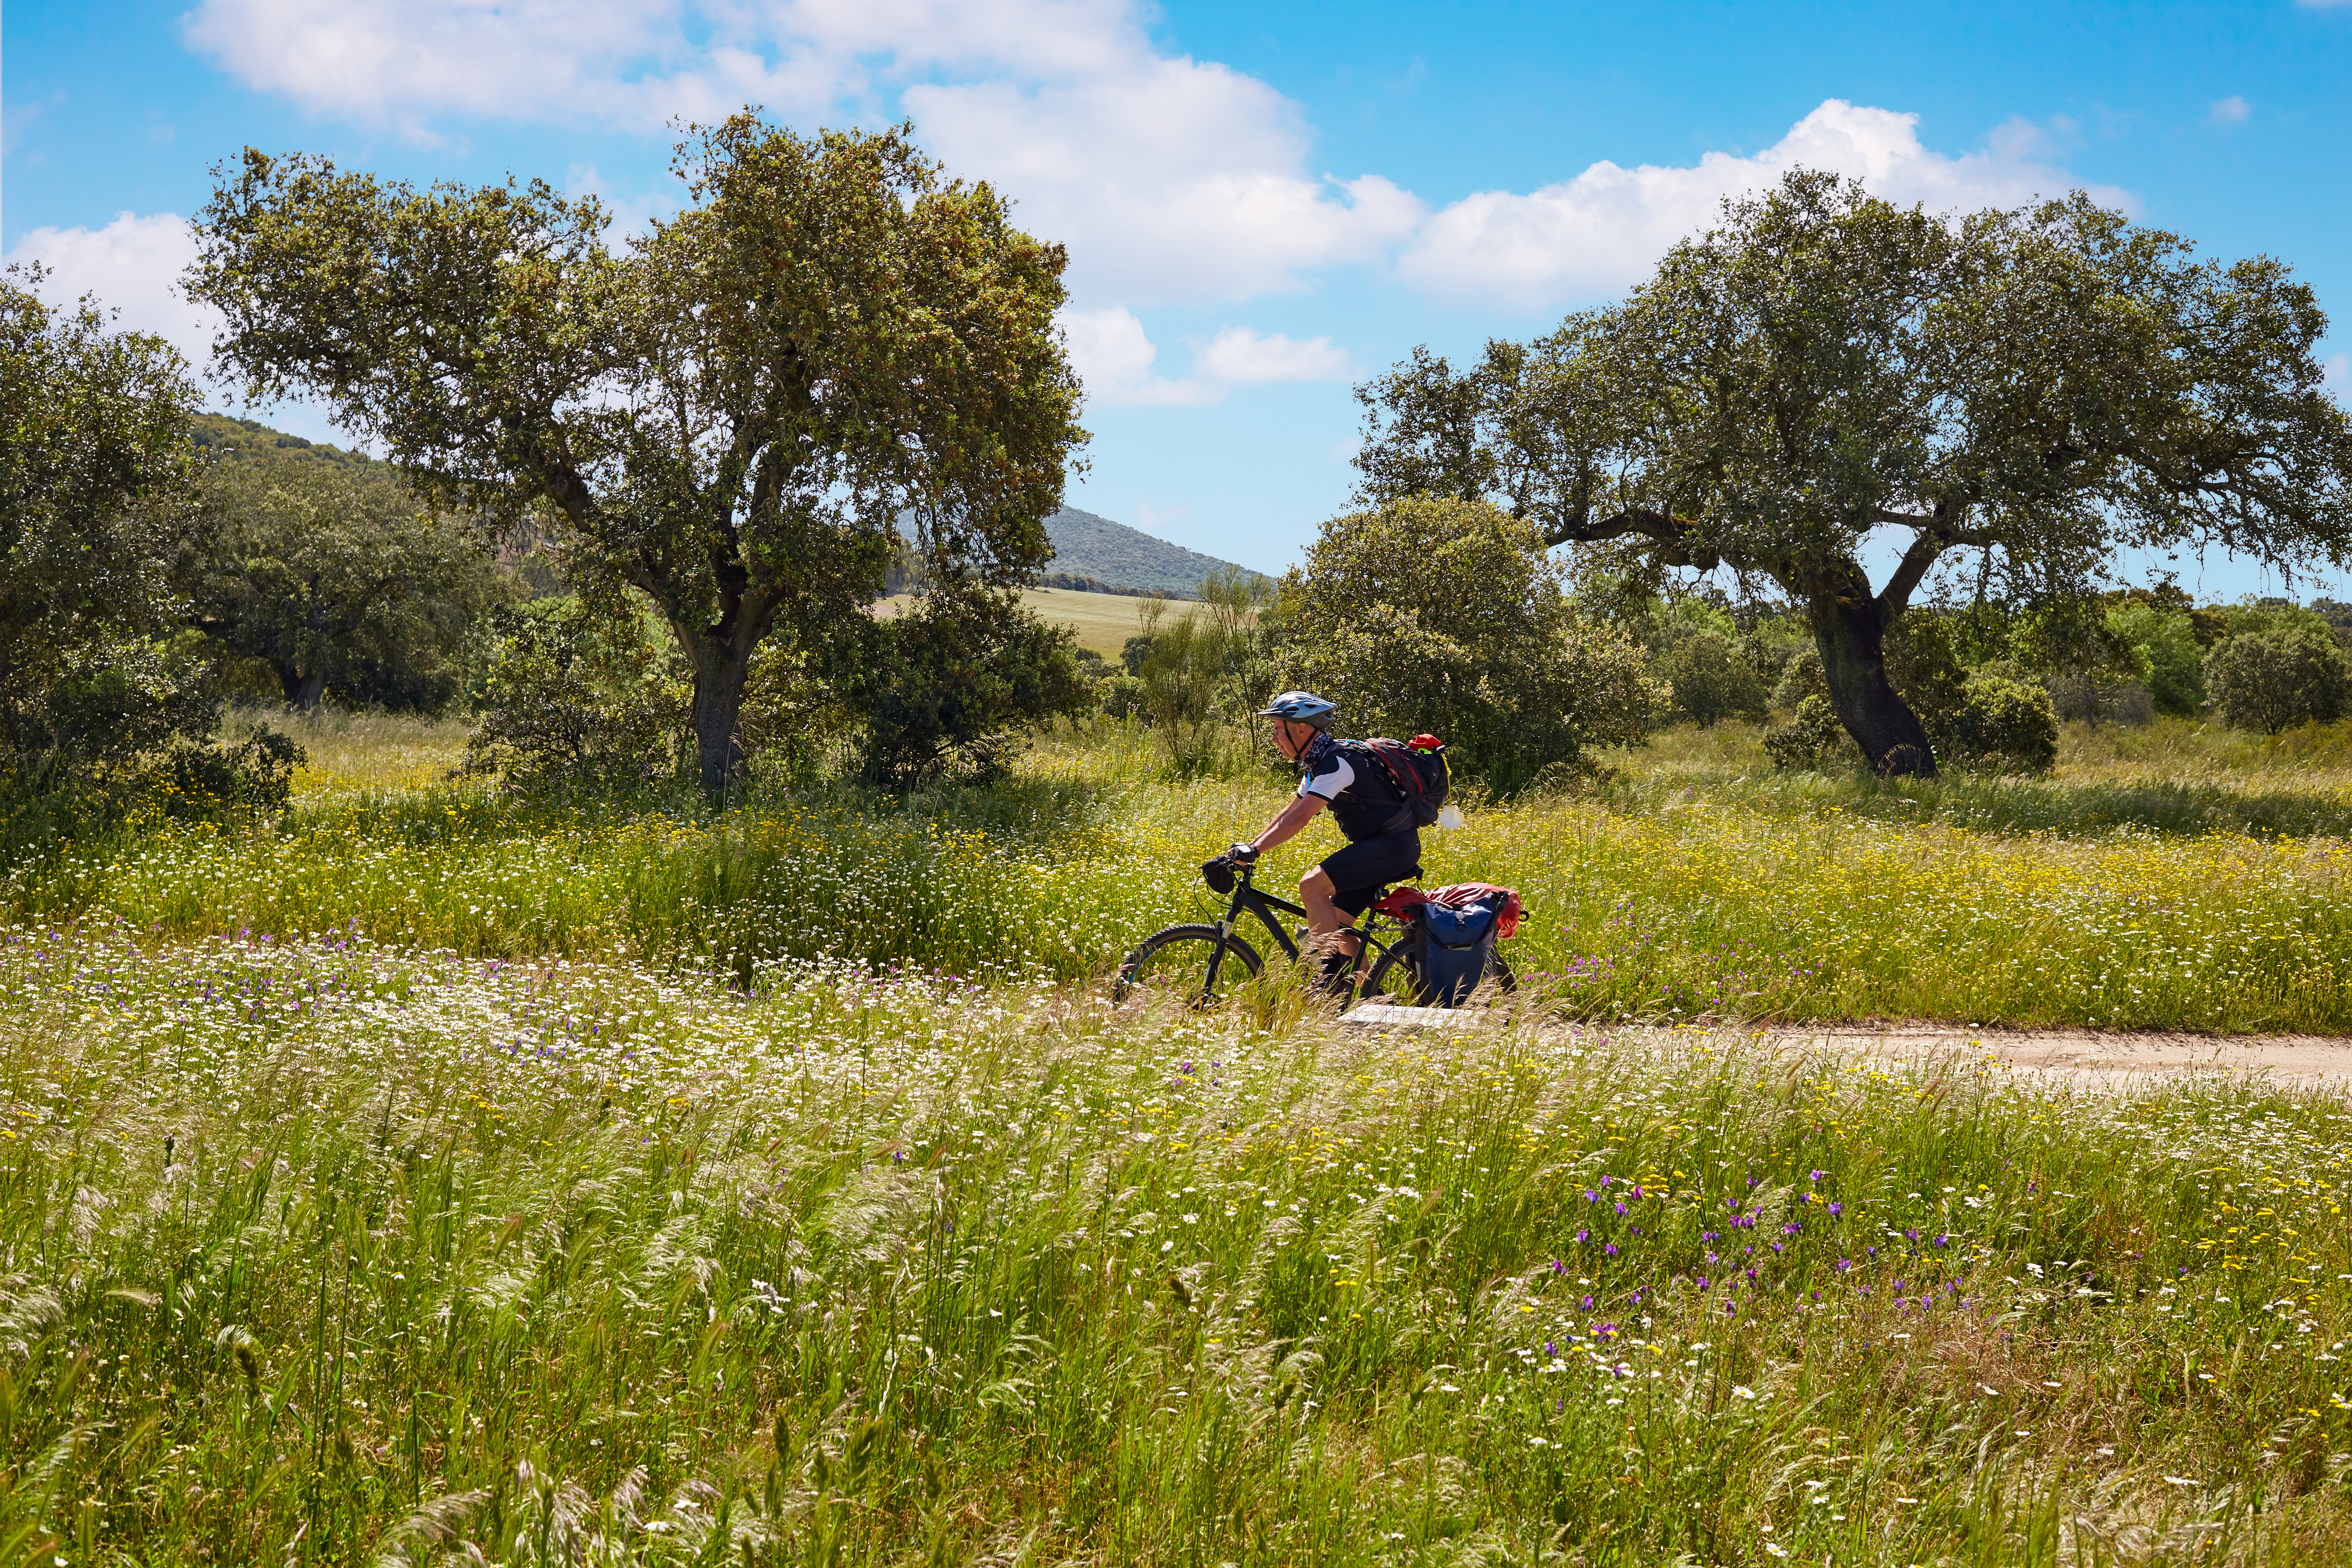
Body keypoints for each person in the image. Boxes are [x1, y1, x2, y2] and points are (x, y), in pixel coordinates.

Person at [1223, 690, 1420, 989]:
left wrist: (1256, 849)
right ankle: (1373, 997)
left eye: (1278, 730)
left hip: (1393, 848)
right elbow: (1289, 812)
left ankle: (1328, 982)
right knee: (1339, 926)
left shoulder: (1337, 763)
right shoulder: (1318, 763)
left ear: (1301, 729)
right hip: (1380, 847)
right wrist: (1249, 846)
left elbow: (1301, 818)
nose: (1274, 739)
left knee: (1311, 887)